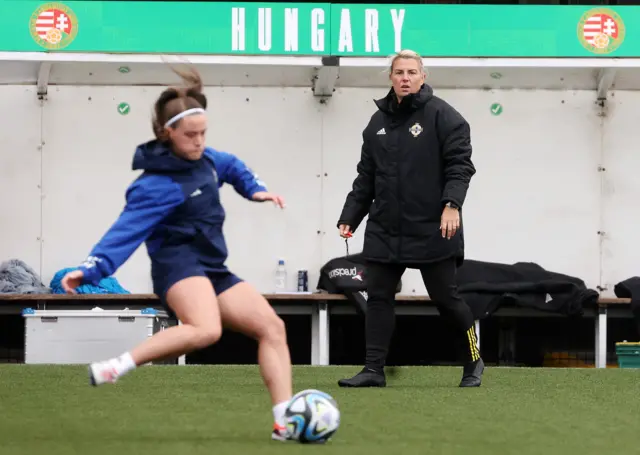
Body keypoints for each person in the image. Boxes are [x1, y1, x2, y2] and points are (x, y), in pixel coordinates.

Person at [60, 65, 294, 441]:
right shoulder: (155, 186)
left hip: (213, 266)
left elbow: (233, 166)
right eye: (191, 135)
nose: (199, 141)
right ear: (167, 133)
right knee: (206, 329)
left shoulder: (210, 160)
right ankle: (117, 366)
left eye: (204, 133)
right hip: (177, 264)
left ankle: (285, 422)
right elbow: (124, 234)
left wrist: (255, 190)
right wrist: (89, 271)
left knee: (273, 328)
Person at [336, 50, 483, 388]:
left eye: (411, 72)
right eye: (399, 72)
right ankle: (373, 370)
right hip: (385, 227)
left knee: (446, 299)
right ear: (390, 77)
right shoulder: (376, 124)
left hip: (433, 226)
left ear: (422, 77)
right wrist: (351, 216)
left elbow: (460, 166)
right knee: (378, 297)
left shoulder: (444, 116)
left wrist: (452, 205)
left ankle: (473, 361)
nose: (405, 77)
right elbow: (366, 177)